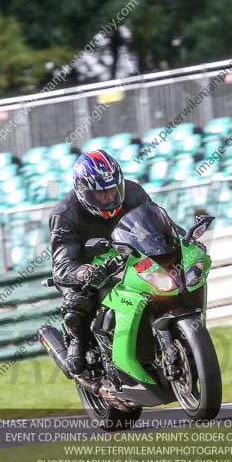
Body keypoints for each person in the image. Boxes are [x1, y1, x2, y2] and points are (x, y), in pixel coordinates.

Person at [49, 149, 160, 375]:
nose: (109, 197)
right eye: (101, 194)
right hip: (86, 267)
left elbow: (158, 221)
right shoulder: (65, 213)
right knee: (77, 303)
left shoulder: (134, 193)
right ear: (83, 192)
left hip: (128, 258)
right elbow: (61, 265)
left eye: (113, 189)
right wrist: (83, 272)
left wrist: (181, 237)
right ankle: (77, 344)